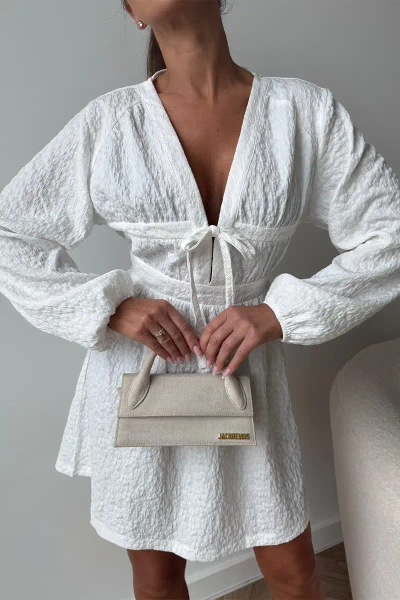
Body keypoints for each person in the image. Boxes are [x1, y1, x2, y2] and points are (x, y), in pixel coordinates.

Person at [1, 1, 400, 598]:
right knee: (158, 579)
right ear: (133, 12)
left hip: (246, 370)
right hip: (143, 372)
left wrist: (281, 313)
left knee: (295, 574)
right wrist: (109, 306)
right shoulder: (111, 122)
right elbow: (11, 232)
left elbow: (389, 232)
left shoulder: (304, 113)